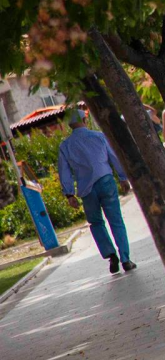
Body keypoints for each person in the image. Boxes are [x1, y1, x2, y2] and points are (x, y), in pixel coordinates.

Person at [57, 109, 135, 275]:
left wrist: (69, 194)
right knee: (116, 220)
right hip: (106, 181)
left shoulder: (65, 146)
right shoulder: (99, 136)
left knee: (96, 223)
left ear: (69, 125)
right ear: (85, 119)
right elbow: (114, 157)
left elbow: (64, 171)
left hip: (86, 189)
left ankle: (110, 255)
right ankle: (126, 259)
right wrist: (123, 177)